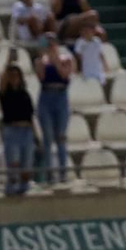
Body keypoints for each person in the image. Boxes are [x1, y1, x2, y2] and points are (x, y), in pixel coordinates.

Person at [36, 36, 74, 185]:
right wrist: (44, 60)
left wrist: (55, 59)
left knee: (61, 137)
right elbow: (41, 77)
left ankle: (63, 173)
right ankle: (49, 174)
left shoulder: (66, 59)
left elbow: (65, 75)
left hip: (61, 97)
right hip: (46, 98)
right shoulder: (41, 61)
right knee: (47, 138)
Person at [0, 63, 37, 196]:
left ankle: (23, 190)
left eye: (17, 76)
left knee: (26, 165)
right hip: (12, 130)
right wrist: (8, 63)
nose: (15, 78)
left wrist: (36, 135)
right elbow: (2, 81)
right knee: (13, 165)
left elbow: (30, 116)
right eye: (12, 76)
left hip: (26, 131)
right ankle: (11, 190)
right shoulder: (4, 93)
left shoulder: (25, 94)